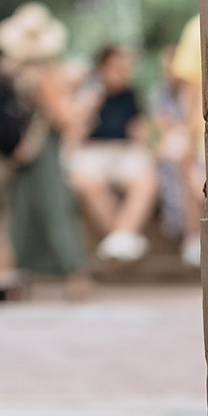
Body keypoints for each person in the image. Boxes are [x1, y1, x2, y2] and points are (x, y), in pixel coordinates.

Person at [0, 2, 89, 292]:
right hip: (41, 149)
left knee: (22, 213)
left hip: (16, 150)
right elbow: (62, 117)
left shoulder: (9, 69)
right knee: (54, 208)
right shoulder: (44, 74)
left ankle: (22, 273)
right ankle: (74, 273)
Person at [68, 39, 160, 261]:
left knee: (146, 182)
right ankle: (122, 238)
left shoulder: (130, 94)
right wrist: (87, 109)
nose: (123, 72)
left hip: (125, 152)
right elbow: (73, 135)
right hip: (92, 151)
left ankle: (118, 239)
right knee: (88, 183)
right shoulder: (88, 92)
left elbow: (138, 129)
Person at [164, 10, 204, 270]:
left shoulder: (197, 26)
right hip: (202, 128)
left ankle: (192, 239)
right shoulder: (197, 27)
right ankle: (191, 238)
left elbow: (189, 90)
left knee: (193, 177)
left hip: (202, 127)